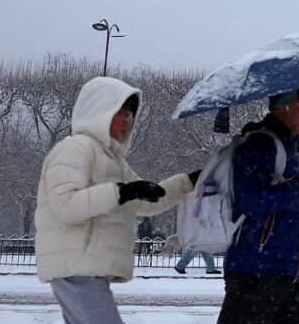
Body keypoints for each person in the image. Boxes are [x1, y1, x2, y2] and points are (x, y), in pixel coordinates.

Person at [35, 76, 198, 324]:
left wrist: (189, 182)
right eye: (120, 112)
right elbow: (66, 206)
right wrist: (122, 192)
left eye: (131, 113)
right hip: (76, 266)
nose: (127, 120)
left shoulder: (113, 161)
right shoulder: (75, 149)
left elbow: (146, 201)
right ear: (99, 112)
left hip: (86, 267)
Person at [217, 87, 299, 324]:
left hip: (283, 274)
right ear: (287, 106)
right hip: (257, 276)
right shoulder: (262, 144)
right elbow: (248, 202)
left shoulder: (287, 147)